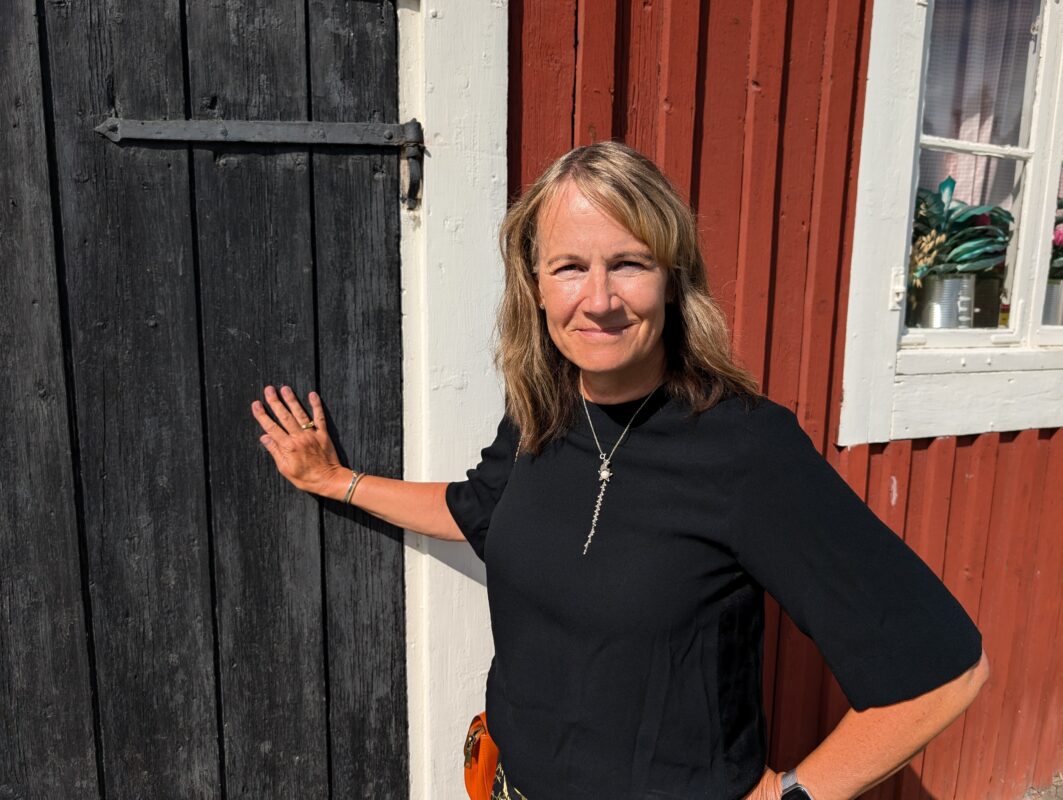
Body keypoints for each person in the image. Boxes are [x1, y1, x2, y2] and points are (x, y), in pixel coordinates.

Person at [251, 141, 988, 800]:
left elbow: (940, 674)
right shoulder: (543, 411)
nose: (598, 300)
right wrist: (332, 481)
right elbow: (477, 509)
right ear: (534, 287)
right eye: (569, 267)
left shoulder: (745, 447)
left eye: (628, 264)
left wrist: (791, 797)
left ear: (671, 279)